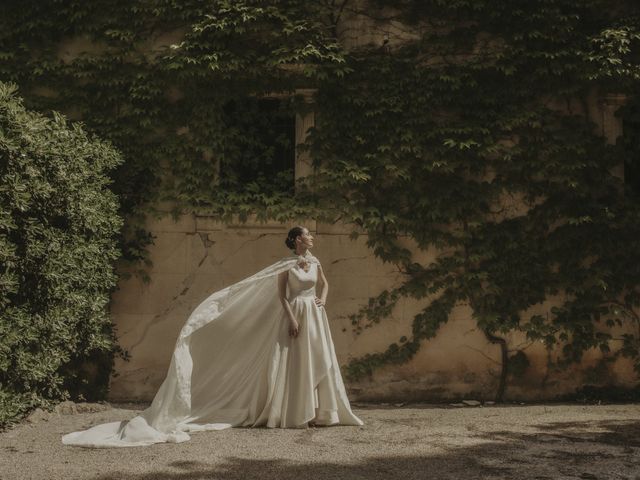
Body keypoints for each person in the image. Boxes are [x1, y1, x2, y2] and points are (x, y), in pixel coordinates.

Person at [62, 225, 363, 447]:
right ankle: (296, 412)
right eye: (308, 235)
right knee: (295, 362)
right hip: (297, 312)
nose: (312, 238)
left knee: (318, 357)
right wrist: (292, 318)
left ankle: (321, 410)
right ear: (298, 240)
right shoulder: (286, 266)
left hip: (315, 313)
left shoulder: (317, 261)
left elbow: (324, 283)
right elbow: (281, 296)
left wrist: (322, 299)